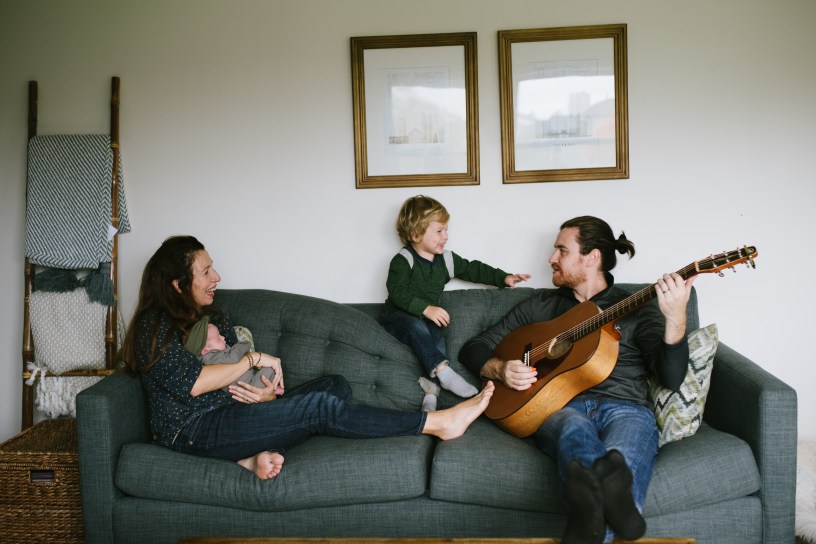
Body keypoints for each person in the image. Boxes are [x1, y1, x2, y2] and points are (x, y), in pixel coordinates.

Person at [121, 235, 495, 481]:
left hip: (237, 414)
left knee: (334, 385)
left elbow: (240, 373)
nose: (217, 276)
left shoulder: (212, 314)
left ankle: (252, 454)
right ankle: (436, 422)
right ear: (178, 285)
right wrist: (254, 361)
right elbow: (196, 383)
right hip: (195, 428)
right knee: (319, 408)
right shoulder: (154, 325)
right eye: (206, 272)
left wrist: (266, 395)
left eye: (212, 267)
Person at [458, 216, 694, 544]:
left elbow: (671, 378)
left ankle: (591, 514)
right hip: (559, 408)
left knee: (617, 459)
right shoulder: (541, 306)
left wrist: (677, 318)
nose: (551, 258)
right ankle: (621, 509)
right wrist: (499, 369)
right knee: (574, 429)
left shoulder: (639, 306)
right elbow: (474, 348)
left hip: (627, 409)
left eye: (561, 250)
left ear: (591, 257)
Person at [381, 195, 530, 411]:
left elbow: (473, 269)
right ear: (415, 234)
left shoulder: (446, 260)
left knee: (437, 336)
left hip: (424, 319)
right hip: (396, 318)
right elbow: (397, 293)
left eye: (446, 230)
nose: (446, 236)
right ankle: (444, 372)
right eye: (439, 231)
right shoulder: (404, 260)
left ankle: (430, 396)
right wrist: (426, 308)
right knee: (415, 325)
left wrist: (503, 277)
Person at [183, 317, 284, 396]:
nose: (223, 338)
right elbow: (233, 357)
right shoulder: (209, 358)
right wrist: (245, 344)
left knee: (267, 368)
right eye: (218, 338)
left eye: (220, 335)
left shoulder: (216, 352)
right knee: (270, 367)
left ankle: (272, 389)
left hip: (251, 381)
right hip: (249, 386)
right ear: (204, 350)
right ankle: (273, 387)